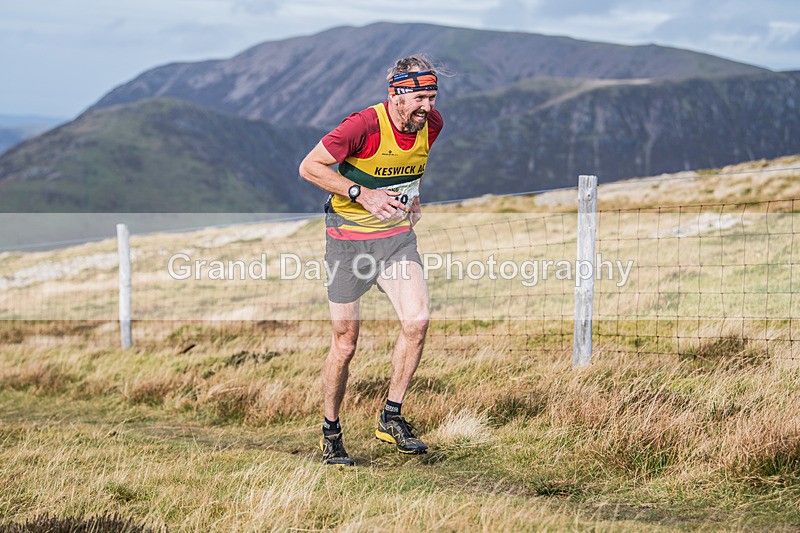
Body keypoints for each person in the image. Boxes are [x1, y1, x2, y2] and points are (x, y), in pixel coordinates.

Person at [298, 54, 444, 466]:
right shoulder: (362, 125)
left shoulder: (431, 125)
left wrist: (413, 197)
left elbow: (411, 165)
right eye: (419, 97)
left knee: (417, 322)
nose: (427, 107)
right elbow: (310, 167)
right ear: (395, 94)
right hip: (346, 242)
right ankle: (331, 432)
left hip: (395, 241)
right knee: (346, 343)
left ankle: (391, 417)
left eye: (432, 97)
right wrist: (362, 194)